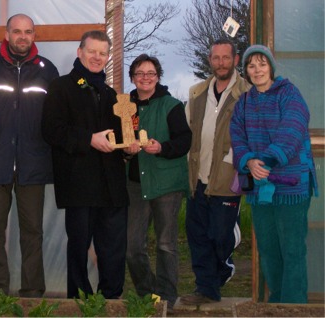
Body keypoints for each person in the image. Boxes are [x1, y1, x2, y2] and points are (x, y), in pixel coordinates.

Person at [0, 14, 59, 297]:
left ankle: (32, 294)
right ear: (6, 34)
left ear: (34, 35)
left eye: (28, 32)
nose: (22, 36)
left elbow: (56, 120)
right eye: (17, 31)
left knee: (33, 233)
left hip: (33, 164)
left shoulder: (47, 70)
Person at [42, 30, 136, 299]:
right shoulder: (60, 87)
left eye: (102, 53)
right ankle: (80, 302)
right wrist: (88, 139)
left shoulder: (111, 94)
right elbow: (50, 130)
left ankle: (111, 298)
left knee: (114, 247)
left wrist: (128, 148)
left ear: (108, 57)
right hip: (79, 184)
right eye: (92, 51)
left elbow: (118, 137)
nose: (97, 57)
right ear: (79, 52)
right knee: (79, 246)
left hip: (112, 186)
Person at [230, 45, 318, 303]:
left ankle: (294, 306)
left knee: (292, 250)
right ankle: (277, 303)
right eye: (251, 65)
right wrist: (248, 160)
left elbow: (291, 130)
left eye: (262, 64)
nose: (257, 70)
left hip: (292, 186)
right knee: (268, 249)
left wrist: (264, 160)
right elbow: (237, 135)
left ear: (271, 67)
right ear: (246, 71)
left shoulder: (290, 94)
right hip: (260, 189)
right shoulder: (244, 102)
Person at [181, 38, 250, 305]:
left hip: (227, 179)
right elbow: (186, 130)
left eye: (226, 58)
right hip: (198, 178)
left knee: (220, 235)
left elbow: (252, 134)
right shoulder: (197, 92)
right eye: (216, 58)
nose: (220, 63)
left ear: (235, 60)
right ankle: (206, 288)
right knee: (197, 236)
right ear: (210, 60)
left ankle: (225, 266)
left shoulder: (247, 93)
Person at [125, 54, 191, 311]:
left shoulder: (171, 105)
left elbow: (185, 140)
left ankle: (166, 296)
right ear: (133, 77)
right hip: (135, 185)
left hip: (166, 184)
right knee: (132, 247)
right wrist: (127, 151)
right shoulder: (125, 107)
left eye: (150, 73)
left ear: (158, 77)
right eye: (140, 73)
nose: (145, 78)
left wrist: (162, 147)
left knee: (166, 244)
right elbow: (121, 141)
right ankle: (147, 293)